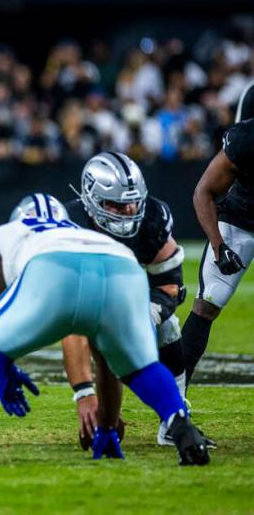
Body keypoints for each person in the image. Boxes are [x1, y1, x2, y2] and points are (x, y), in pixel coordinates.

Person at [0, 195, 210, 466]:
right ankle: (184, 430)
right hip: (120, 262)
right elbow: (105, 360)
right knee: (138, 368)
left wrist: (2, 368)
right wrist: (106, 426)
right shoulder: (82, 232)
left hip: (53, 266)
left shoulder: (5, 233)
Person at [59, 152, 209, 451]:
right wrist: (85, 395)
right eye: (116, 204)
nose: (128, 211)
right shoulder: (67, 227)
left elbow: (169, 285)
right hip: (66, 296)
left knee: (168, 327)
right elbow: (71, 324)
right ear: (92, 200)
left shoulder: (151, 218)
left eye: (133, 201)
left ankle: (174, 420)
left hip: (121, 290)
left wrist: (144, 318)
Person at [182, 83, 254, 389]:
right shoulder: (247, 139)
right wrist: (218, 245)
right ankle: (172, 410)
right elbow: (204, 191)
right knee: (210, 299)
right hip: (242, 218)